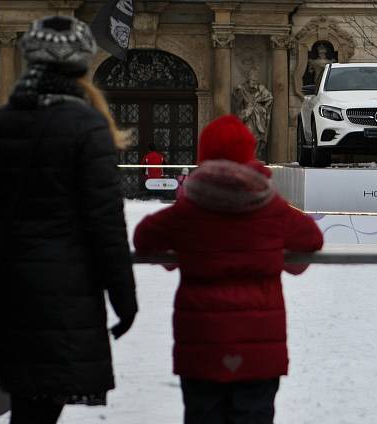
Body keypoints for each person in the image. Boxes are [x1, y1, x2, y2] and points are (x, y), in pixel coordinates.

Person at [0, 15, 138, 424]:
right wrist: (124, 298)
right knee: (41, 410)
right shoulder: (88, 127)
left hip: (9, 288)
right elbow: (106, 224)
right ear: (83, 66)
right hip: (68, 291)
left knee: (27, 407)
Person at [133, 115, 324, 424]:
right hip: (259, 349)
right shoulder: (271, 207)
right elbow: (311, 239)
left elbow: (144, 238)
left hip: (201, 346)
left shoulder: (188, 209)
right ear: (250, 154)